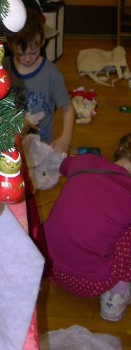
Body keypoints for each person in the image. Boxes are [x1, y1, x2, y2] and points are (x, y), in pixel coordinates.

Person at [43, 134, 131, 321]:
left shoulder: (87, 161)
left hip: (50, 268)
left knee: (79, 205)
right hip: (90, 283)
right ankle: (115, 297)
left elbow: (63, 166)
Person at [3, 8, 74, 154]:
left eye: (33, 52)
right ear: (10, 46)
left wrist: (65, 138)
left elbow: (68, 108)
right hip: (9, 144)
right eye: (20, 54)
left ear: (42, 42)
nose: (27, 59)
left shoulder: (51, 73)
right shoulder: (3, 68)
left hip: (42, 146)